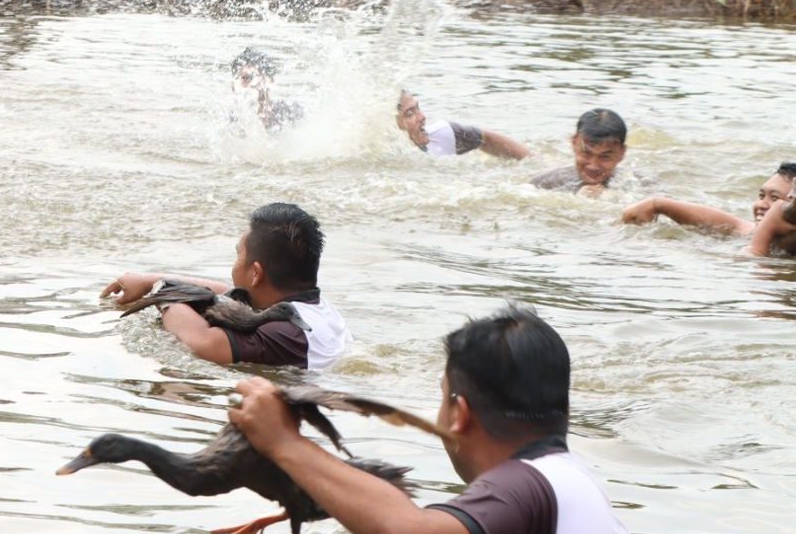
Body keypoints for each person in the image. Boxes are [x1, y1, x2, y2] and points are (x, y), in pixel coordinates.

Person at [229, 304, 629, 534]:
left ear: (459, 413)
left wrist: (283, 443)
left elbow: (412, 531)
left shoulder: (527, 484)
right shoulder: (569, 480)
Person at [100, 203, 350, 369]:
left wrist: (162, 292)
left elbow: (203, 344)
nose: (234, 265)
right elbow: (227, 294)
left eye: (238, 255)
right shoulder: (319, 310)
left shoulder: (285, 333)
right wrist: (148, 280)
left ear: (256, 274)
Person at [621, 162, 796, 256]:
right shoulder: (745, 232)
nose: (761, 205)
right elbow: (654, 204)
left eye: (774, 198)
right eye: (761, 196)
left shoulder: (785, 216)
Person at [396, 90, 530, 160]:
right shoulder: (384, 163)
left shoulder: (444, 134)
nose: (422, 117)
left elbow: (486, 139)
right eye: (410, 113)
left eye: (418, 108)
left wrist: (534, 161)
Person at [529, 108, 628, 196]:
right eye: (586, 153)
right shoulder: (544, 183)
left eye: (605, 157)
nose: (593, 166)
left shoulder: (638, 186)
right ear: (574, 142)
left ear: (622, 153)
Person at [232, 49, 304, 131]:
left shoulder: (292, 113)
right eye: (244, 78)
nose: (251, 85)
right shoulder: (232, 123)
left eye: (251, 77)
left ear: (270, 80)